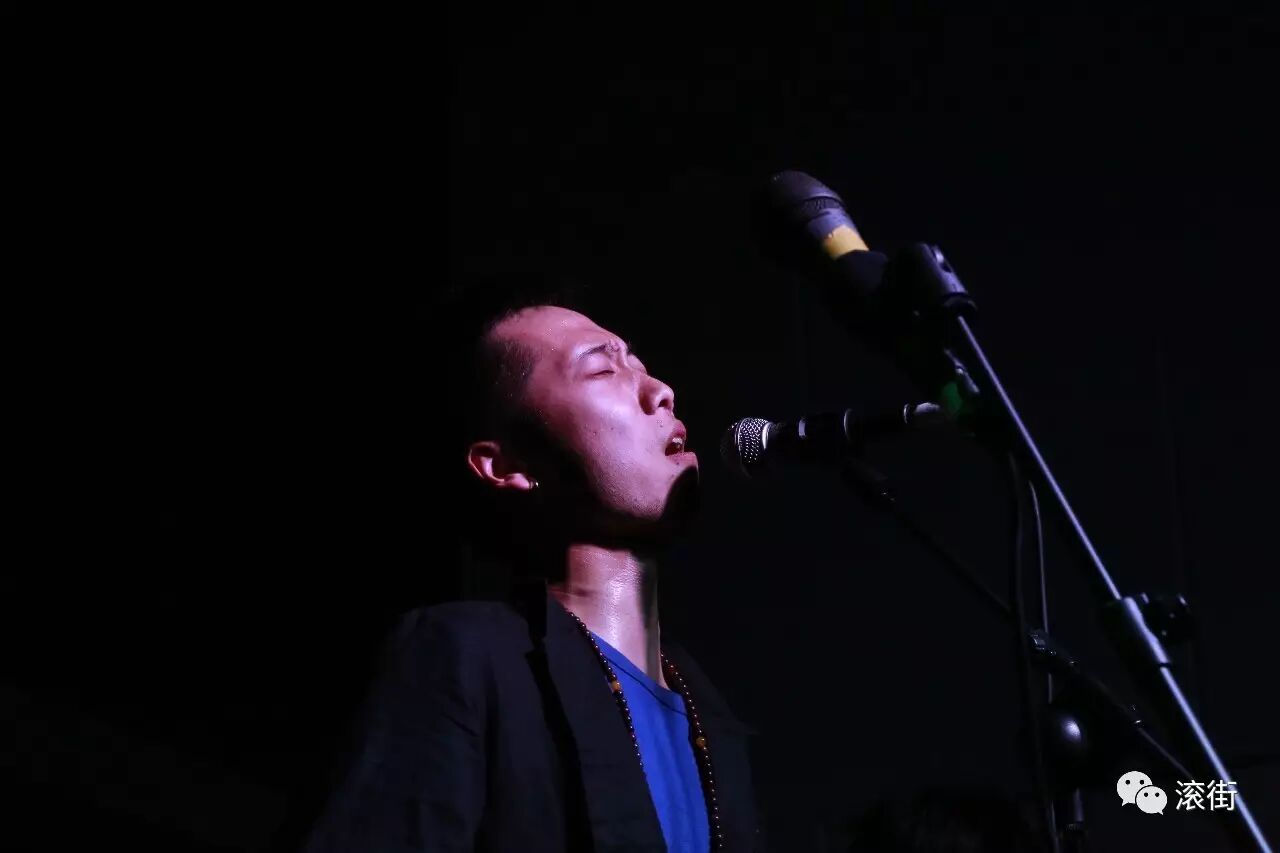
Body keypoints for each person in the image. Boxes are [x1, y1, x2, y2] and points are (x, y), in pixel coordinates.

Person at [302, 280, 762, 851]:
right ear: (508, 465)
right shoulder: (465, 656)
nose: (660, 392)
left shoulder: (710, 715)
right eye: (602, 370)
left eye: (642, 367)